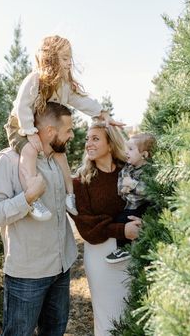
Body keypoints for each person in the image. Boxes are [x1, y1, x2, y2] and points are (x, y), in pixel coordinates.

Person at [0, 102, 78, 336]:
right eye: (68, 130)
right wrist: (28, 198)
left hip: (61, 267)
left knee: (54, 331)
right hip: (27, 277)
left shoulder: (56, 161)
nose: (72, 135)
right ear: (49, 132)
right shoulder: (7, 161)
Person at [5, 34, 124, 221]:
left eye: (70, 58)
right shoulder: (35, 80)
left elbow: (81, 101)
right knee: (29, 152)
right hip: (20, 126)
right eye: (65, 58)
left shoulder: (64, 86)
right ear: (51, 60)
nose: (69, 63)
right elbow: (22, 106)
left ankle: (70, 195)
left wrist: (103, 114)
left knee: (61, 156)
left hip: (44, 130)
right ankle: (33, 198)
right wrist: (29, 132)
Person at [70, 121, 142, 336]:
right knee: (107, 317)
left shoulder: (129, 173)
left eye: (95, 138)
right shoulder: (80, 181)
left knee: (134, 312)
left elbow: (145, 201)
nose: (88, 143)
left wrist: (140, 225)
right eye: (87, 139)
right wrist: (122, 230)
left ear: (110, 144)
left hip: (133, 248)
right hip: (101, 254)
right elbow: (86, 226)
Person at [105, 132, 157, 263]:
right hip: (131, 204)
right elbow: (121, 184)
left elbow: (150, 190)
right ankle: (129, 246)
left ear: (144, 155)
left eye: (131, 149)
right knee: (121, 219)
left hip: (144, 205)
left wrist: (132, 184)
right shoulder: (128, 168)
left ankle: (125, 249)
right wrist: (123, 188)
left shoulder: (149, 170)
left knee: (124, 219)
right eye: (126, 148)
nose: (126, 152)